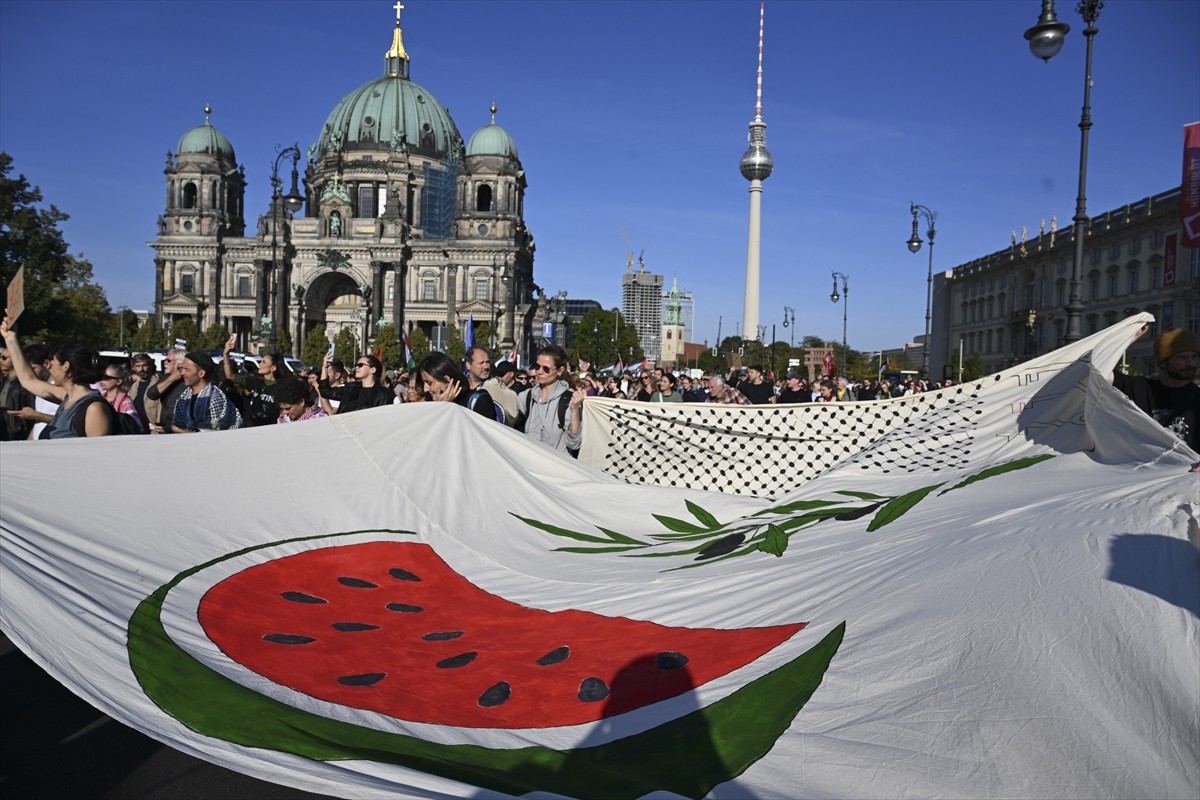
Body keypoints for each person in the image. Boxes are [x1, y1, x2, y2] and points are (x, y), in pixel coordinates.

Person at [0, 314, 112, 438]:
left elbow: (98, 453)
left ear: (66, 366)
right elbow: (29, 380)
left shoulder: (94, 408)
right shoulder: (67, 397)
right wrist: (10, 338)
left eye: (52, 363)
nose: (48, 367)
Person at [1110, 327, 1200, 469]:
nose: (1191, 364)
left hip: (1186, 484)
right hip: (1141, 480)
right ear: (1163, 361)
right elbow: (1098, 371)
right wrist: (1125, 340)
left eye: (1194, 357)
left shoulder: (1197, 398)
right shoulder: (1140, 388)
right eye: (1182, 357)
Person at [514, 344, 585, 455]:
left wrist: (575, 410)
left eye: (546, 369)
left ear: (560, 370)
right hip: (528, 467)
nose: (539, 372)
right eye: (537, 366)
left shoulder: (569, 401)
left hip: (556, 468)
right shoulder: (525, 396)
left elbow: (574, 444)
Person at [222, 335, 291, 427]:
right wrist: (225, 354)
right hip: (251, 426)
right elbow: (230, 376)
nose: (260, 364)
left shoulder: (282, 387)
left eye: (264, 362)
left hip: (270, 429)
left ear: (273, 368)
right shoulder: (255, 381)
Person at [417, 351, 500, 421]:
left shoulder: (479, 400)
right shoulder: (428, 402)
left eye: (429, 383)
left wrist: (444, 409)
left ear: (447, 380)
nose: (425, 389)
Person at [171, 351, 243, 432]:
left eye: (186, 369)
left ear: (201, 373)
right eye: (181, 369)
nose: (182, 373)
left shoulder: (215, 398)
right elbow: (178, 423)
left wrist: (178, 430)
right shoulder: (184, 396)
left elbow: (210, 433)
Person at [318, 353, 391, 414]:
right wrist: (324, 368)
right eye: (356, 365)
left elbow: (382, 418)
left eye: (360, 365)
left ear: (372, 370)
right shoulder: (351, 388)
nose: (356, 367)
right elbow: (325, 392)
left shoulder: (382, 393)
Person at [97, 362, 145, 433]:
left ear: (118, 381)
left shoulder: (125, 402)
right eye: (101, 377)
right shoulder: (99, 398)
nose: (102, 381)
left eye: (106, 378)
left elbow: (137, 425)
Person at [486, 360, 520, 425]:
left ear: (511, 374)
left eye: (502, 375)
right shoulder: (493, 386)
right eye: (498, 375)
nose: (499, 378)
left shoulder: (520, 390)